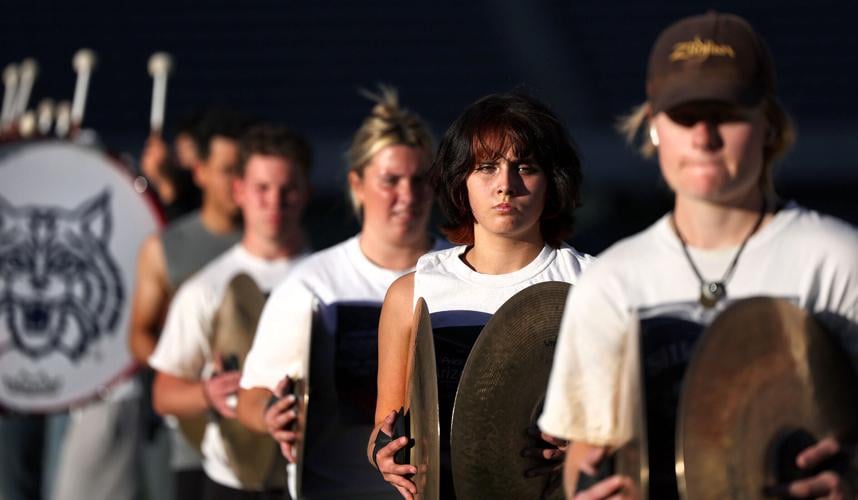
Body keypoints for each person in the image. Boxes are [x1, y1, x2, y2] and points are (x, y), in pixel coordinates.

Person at [538, 11, 858, 500]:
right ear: (653, 128)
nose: (704, 138)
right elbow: (587, 446)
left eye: (726, 114)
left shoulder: (838, 259)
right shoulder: (612, 279)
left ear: (769, 125)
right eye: (684, 117)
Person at [370, 92, 594, 499]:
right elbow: (385, 429)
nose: (505, 186)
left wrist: (584, 445)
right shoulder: (412, 293)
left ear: (553, 181)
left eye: (524, 167)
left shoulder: (595, 285)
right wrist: (385, 455)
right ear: (461, 182)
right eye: (486, 168)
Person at [237, 87, 444, 500]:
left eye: (419, 179)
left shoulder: (462, 273)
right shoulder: (313, 283)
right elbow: (251, 394)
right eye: (390, 180)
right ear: (357, 183)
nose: (407, 195)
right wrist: (270, 414)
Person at [150, 124, 312, 499]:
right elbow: (163, 393)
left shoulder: (328, 278)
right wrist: (207, 392)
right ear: (239, 191)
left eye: (287, 189)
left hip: (312, 474)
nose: (274, 202)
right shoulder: (205, 287)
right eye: (262, 189)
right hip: (235, 481)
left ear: (306, 193)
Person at [129, 108, 249, 499]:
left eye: (246, 169)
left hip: (259, 439)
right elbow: (139, 335)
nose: (240, 182)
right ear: (200, 173)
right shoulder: (166, 247)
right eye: (229, 169)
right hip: (189, 441)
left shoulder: (277, 244)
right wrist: (185, 373)